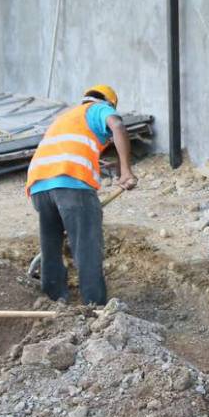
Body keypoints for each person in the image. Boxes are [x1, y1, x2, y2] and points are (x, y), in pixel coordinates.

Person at [26, 84, 137, 305]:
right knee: (86, 246)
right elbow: (118, 126)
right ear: (108, 102)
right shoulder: (99, 109)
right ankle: (94, 307)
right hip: (71, 184)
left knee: (51, 247)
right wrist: (126, 170)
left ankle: (53, 303)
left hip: (39, 185)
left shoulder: (66, 118)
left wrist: (100, 164)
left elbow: (68, 149)